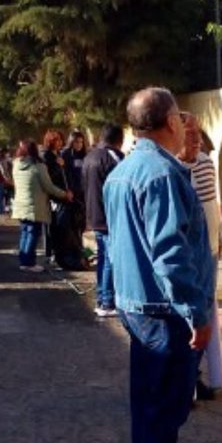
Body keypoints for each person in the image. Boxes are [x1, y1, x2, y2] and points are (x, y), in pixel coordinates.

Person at [103, 88, 214, 443]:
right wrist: (196, 314)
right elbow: (170, 256)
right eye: (179, 118)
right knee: (164, 410)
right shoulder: (163, 174)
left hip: (138, 304)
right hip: (163, 311)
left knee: (150, 406)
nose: (185, 126)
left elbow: (117, 244)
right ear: (169, 121)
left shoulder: (123, 171)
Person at [180, 112, 222, 400]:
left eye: (199, 132)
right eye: (189, 133)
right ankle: (186, 382)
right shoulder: (169, 171)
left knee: (205, 314)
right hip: (185, 255)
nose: (197, 139)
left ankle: (195, 377)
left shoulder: (206, 164)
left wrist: (219, 237)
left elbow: (212, 204)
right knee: (187, 318)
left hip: (208, 252)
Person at [83, 123, 124, 318]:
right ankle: (107, 301)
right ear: (119, 140)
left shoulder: (89, 156)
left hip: (94, 213)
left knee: (103, 258)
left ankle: (102, 297)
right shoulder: (113, 158)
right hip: (110, 216)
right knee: (109, 259)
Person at [11, 139, 71, 272]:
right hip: (34, 206)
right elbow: (49, 187)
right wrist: (65, 194)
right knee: (32, 233)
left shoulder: (16, 165)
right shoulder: (38, 166)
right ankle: (29, 263)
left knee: (25, 232)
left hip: (20, 204)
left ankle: (24, 260)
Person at [40, 129, 68, 268]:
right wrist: (59, 166)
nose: (60, 143)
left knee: (59, 226)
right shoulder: (47, 157)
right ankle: (49, 254)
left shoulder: (59, 155)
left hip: (62, 194)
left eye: (61, 140)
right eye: (57, 140)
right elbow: (48, 179)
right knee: (50, 227)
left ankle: (59, 253)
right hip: (52, 196)